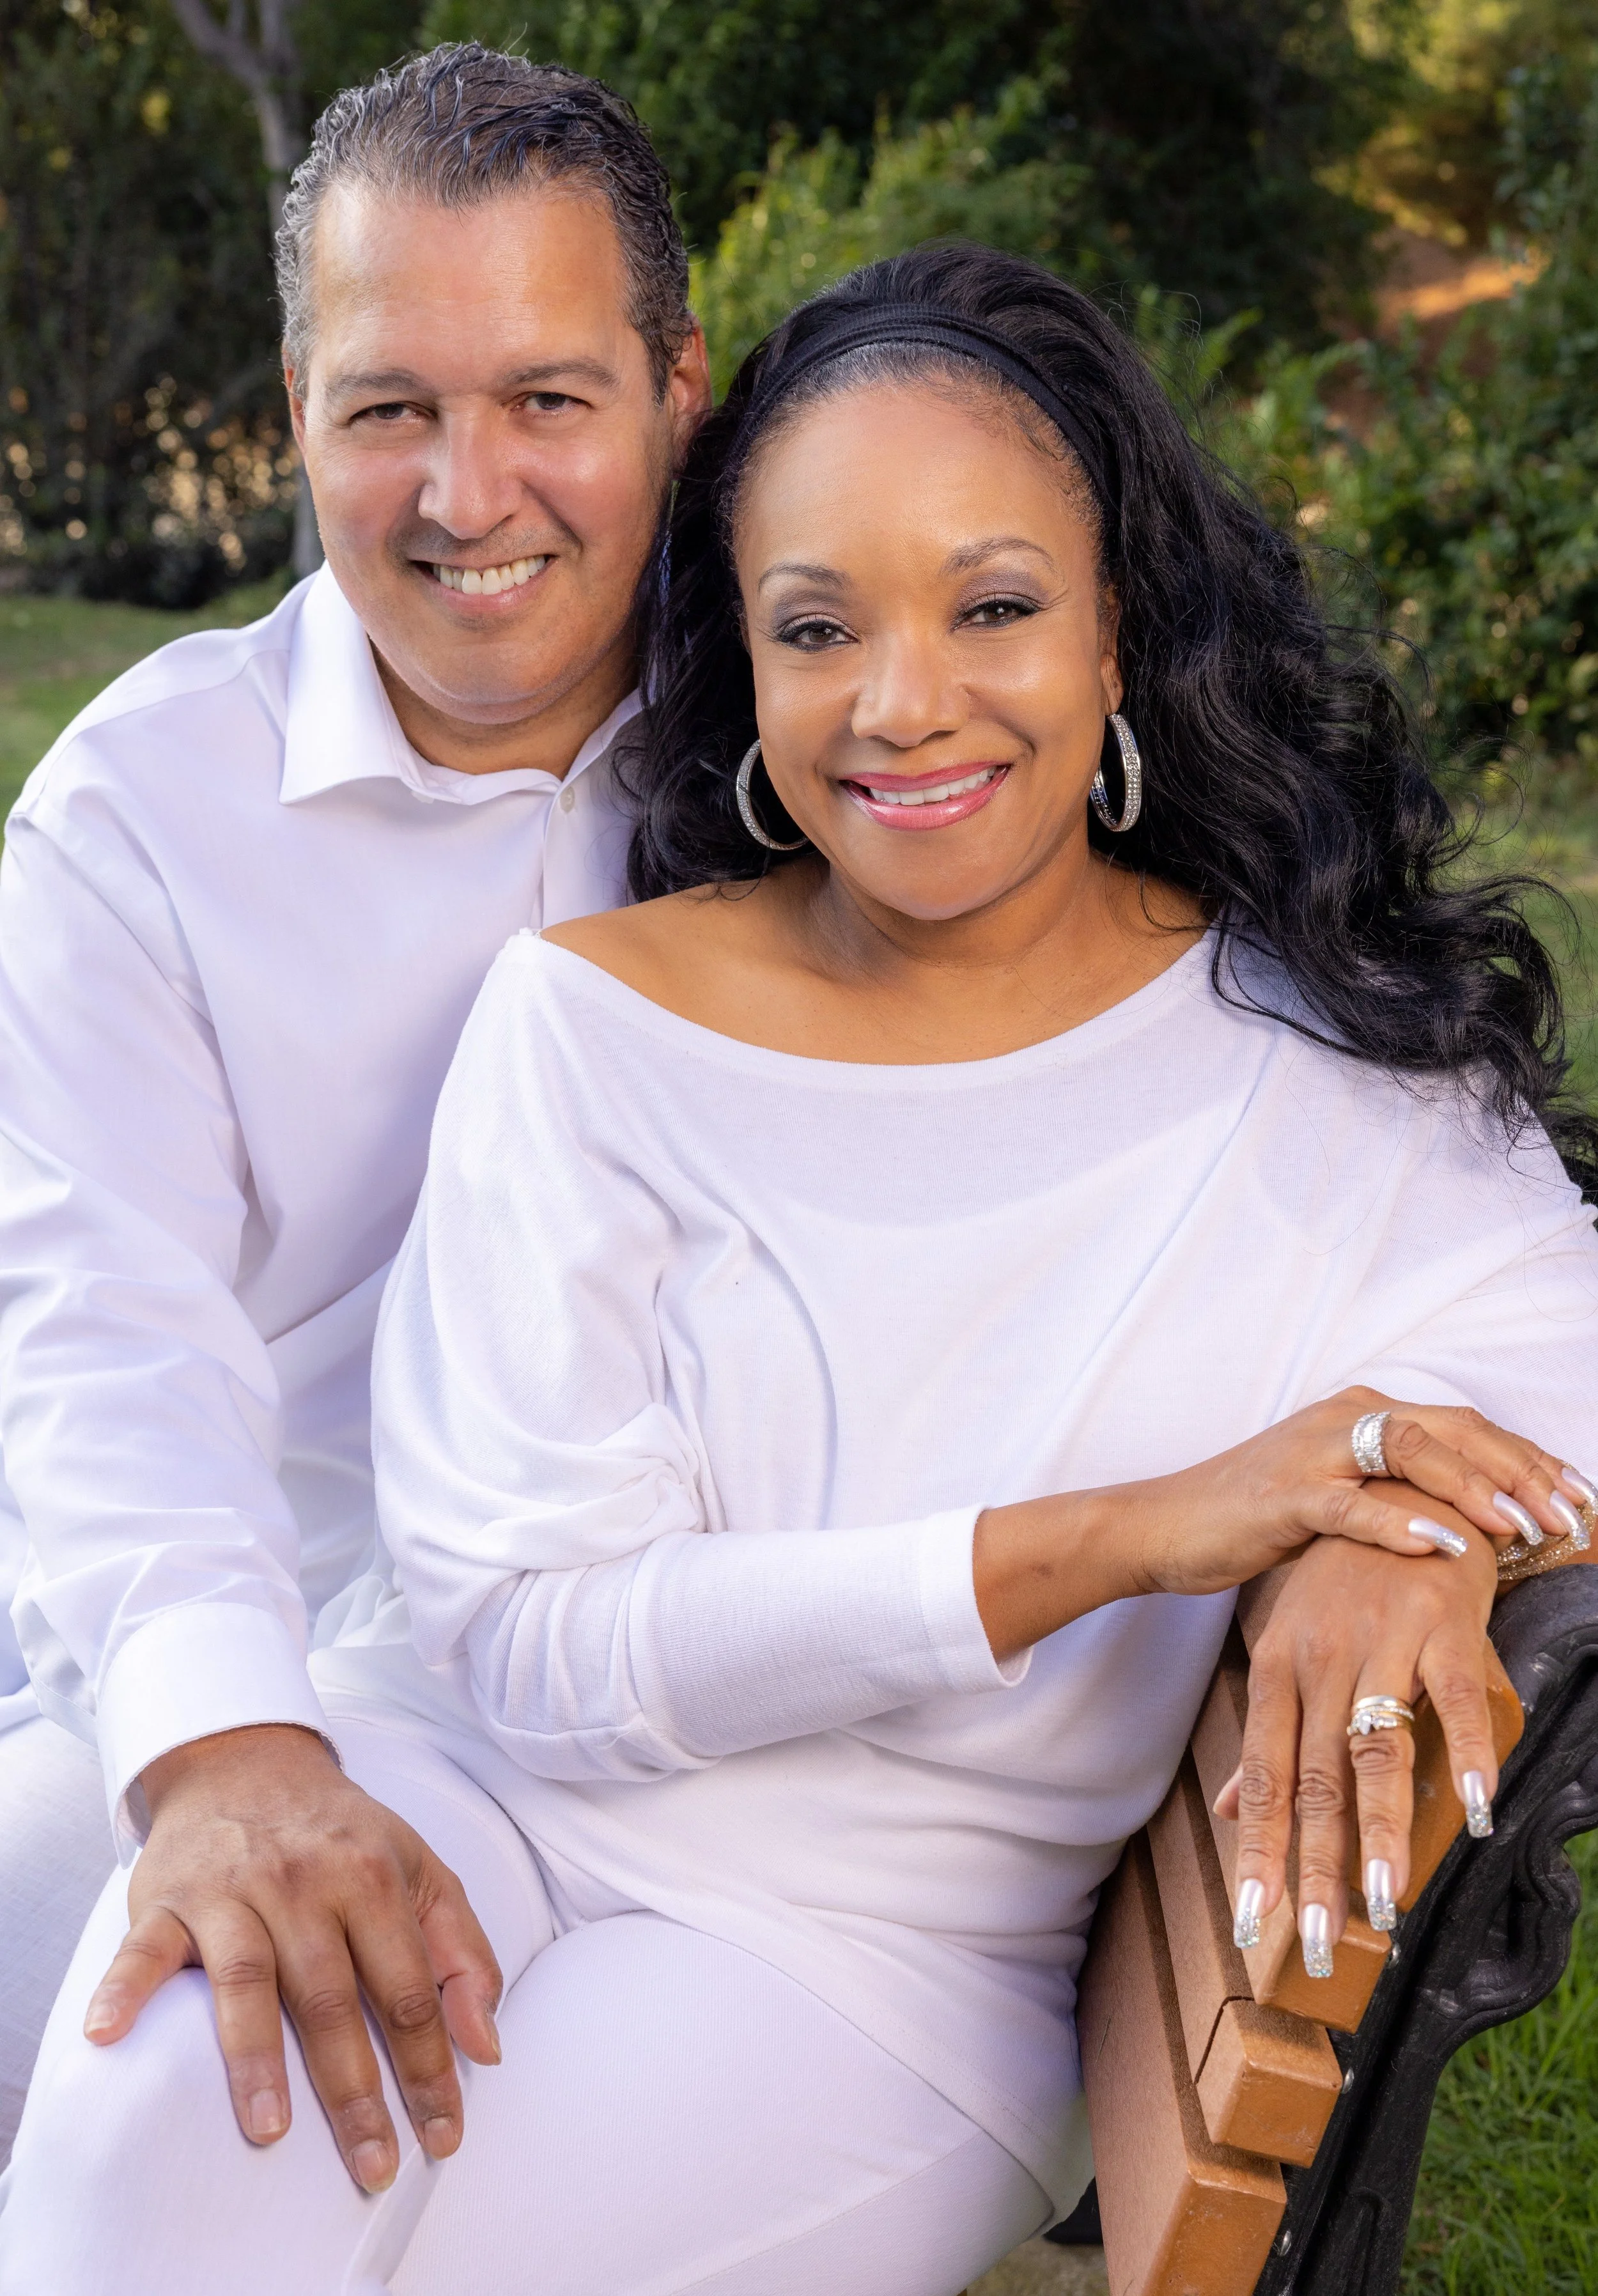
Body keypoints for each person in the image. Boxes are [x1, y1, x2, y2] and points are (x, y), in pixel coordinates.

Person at [6, 242, 1597, 2296]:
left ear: (1120, 634)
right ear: (742, 675)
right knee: (158, 2136)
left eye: (994, 606)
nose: (901, 702)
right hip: (461, 1765)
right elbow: (525, 1644)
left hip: (870, 1952)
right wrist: (1119, 1535)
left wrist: (1411, 1545)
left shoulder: (1322, 1099)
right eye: (816, 627)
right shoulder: (590, 1018)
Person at [0, 42, 710, 2172]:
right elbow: (100, 1324)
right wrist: (225, 1743)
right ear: (296, 407)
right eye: (389, 406)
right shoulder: (139, 809)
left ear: (679, 388)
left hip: (649, 1683)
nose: (463, 494)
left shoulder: (834, 743)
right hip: (245, 1624)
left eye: (545, 402)